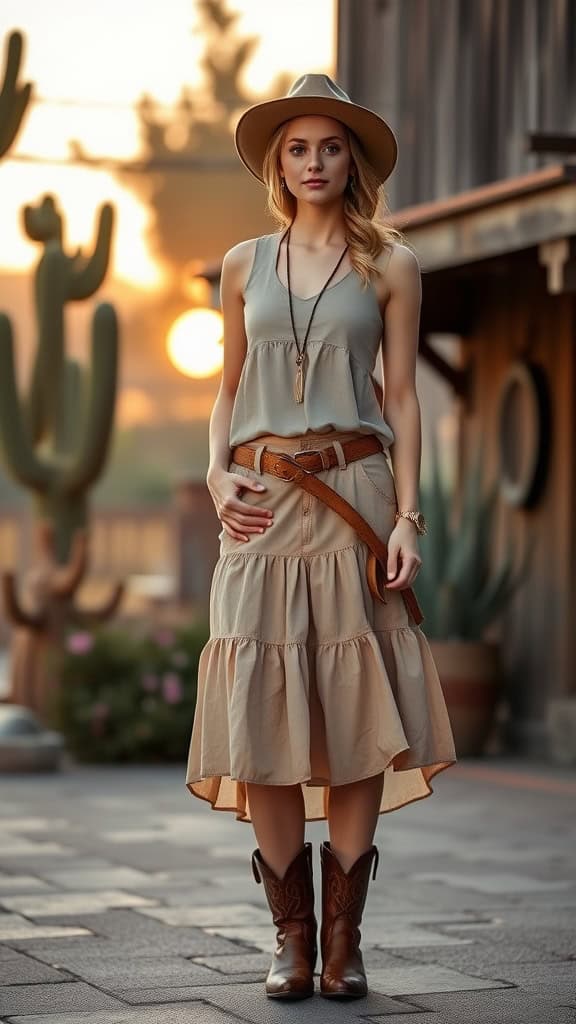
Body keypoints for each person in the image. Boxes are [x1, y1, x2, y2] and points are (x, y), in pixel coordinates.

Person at [185, 74, 457, 1001]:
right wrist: (218, 472)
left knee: (349, 715)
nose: (313, 163)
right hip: (259, 500)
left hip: (356, 493)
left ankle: (344, 944)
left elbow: (407, 398)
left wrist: (409, 514)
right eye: (296, 148)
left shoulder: (393, 264)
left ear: (353, 162)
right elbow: (226, 386)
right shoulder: (241, 263)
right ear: (277, 162)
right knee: (261, 703)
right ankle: (290, 940)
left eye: (329, 147)